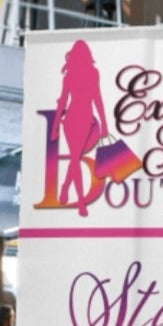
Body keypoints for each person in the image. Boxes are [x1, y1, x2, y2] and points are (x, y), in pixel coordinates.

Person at [51, 39, 108, 217]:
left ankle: (65, 187)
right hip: (80, 119)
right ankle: (81, 202)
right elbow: (95, 98)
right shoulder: (88, 73)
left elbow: (66, 102)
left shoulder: (84, 74)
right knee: (76, 158)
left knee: (75, 158)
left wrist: (55, 127)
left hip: (77, 120)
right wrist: (104, 122)